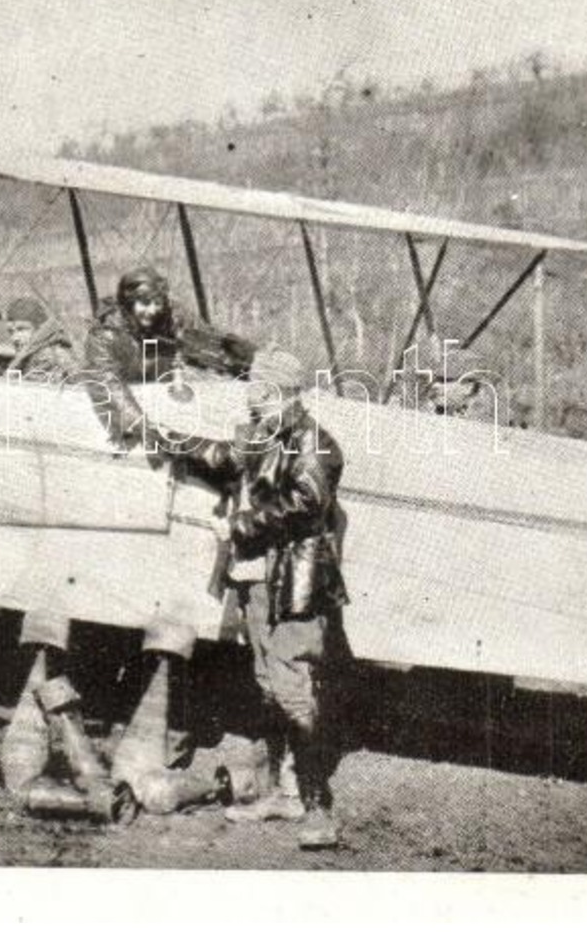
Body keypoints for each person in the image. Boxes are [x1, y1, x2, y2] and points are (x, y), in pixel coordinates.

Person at [158, 349, 350, 850]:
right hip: (259, 581)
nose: (251, 404)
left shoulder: (317, 446)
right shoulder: (266, 436)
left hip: (295, 586)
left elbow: (306, 505)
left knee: (291, 688)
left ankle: (318, 807)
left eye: (260, 396)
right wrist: (160, 435)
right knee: (269, 684)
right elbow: (221, 455)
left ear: (283, 394)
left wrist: (237, 526)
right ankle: (285, 793)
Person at [83, 265, 255, 446]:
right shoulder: (105, 335)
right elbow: (110, 385)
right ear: (128, 304)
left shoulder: (171, 313)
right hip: (124, 396)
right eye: (145, 303)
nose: (153, 310)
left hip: (160, 387)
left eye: (157, 303)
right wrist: (141, 424)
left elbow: (204, 338)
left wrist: (241, 356)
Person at [2, 296, 79, 383]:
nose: (15, 338)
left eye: (22, 329)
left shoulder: (47, 357)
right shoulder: (35, 354)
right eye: (11, 332)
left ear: (40, 329)